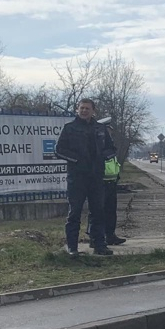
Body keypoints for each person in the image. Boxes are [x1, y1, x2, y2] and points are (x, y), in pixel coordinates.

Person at [55, 99, 117, 256]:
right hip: (77, 177)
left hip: (96, 177)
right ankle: (72, 247)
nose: (84, 111)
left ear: (93, 111)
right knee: (74, 212)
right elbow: (59, 150)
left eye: (87, 108)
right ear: (77, 109)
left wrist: (101, 157)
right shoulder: (69, 128)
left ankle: (99, 245)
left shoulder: (100, 128)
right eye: (81, 108)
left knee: (98, 212)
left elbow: (111, 149)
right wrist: (77, 159)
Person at [88, 117, 126, 246]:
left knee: (111, 211)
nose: (110, 132)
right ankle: (95, 237)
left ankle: (110, 235)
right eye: (108, 129)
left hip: (111, 182)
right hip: (100, 182)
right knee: (98, 211)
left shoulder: (109, 144)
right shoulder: (96, 143)